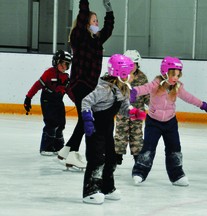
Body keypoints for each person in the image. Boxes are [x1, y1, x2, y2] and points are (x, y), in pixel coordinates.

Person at [130, 56, 207, 186]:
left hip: (170, 122)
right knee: (148, 149)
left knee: (174, 149)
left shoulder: (177, 87)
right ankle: (139, 172)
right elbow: (145, 88)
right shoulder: (156, 84)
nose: (176, 78)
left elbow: (189, 97)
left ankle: (177, 175)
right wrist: (134, 91)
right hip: (153, 122)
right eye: (173, 74)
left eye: (178, 75)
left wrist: (204, 105)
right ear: (165, 72)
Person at [81, 54, 146, 204]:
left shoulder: (121, 89)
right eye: (129, 73)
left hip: (107, 129)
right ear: (121, 74)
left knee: (111, 158)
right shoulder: (104, 89)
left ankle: (107, 187)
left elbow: (123, 108)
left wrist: (134, 113)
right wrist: (87, 120)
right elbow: (86, 101)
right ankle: (90, 190)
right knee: (97, 159)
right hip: (95, 129)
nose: (132, 76)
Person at [57, 0, 114, 169]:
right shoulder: (79, 36)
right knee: (86, 117)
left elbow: (108, 30)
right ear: (86, 23)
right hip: (79, 83)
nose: (96, 23)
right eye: (94, 20)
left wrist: (109, 11)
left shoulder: (97, 40)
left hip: (90, 85)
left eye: (97, 21)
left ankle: (67, 150)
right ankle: (72, 153)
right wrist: (84, 3)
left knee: (85, 118)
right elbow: (82, 15)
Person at [24, 50, 74, 156]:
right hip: (47, 100)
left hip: (58, 101)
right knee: (51, 123)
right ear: (56, 62)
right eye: (63, 63)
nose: (64, 66)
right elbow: (37, 85)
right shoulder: (49, 73)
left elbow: (69, 91)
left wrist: (77, 101)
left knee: (61, 123)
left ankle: (58, 146)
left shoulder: (66, 77)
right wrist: (28, 98)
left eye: (67, 64)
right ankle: (46, 147)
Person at [114, 50, 150, 165]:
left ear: (138, 64)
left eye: (134, 64)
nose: (132, 67)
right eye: (129, 65)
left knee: (137, 136)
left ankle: (137, 158)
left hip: (137, 113)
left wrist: (153, 105)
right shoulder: (120, 77)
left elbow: (147, 94)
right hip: (122, 112)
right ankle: (117, 157)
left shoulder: (142, 77)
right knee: (120, 134)